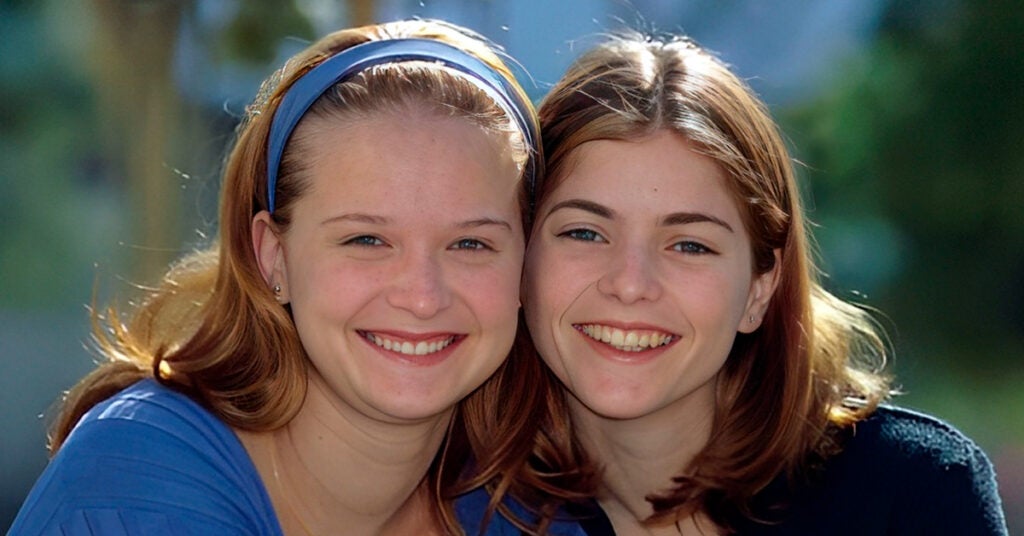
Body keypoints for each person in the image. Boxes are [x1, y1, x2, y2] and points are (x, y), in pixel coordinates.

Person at [11, 19, 570, 536]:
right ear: (273, 257)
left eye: (470, 243)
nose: (422, 297)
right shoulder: (137, 485)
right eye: (366, 241)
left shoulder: (525, 509)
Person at [523, 32, 1009, 535]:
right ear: (520, 256)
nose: (629, 284)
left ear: (760, 287)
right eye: (584, 232)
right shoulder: (460, 508)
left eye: (690, 245)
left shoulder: (911, 494)